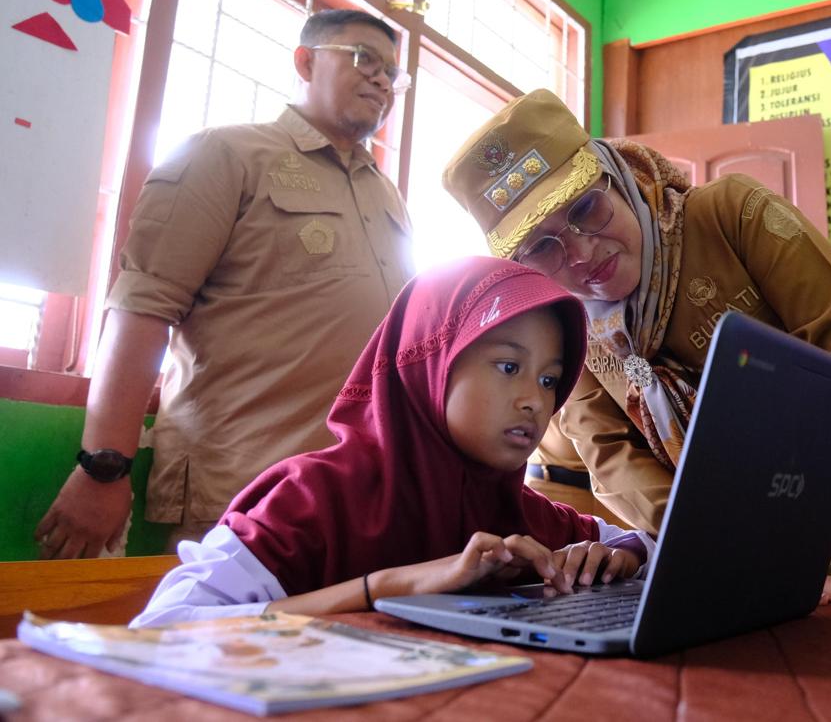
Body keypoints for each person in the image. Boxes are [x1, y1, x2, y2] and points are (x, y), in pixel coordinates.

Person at [442, 89, 831, 600]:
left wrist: (803, 540)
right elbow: (610, 455)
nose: (582, 252)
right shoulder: (569, 327)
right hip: (730, 567)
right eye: (542, 246)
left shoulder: (731, 216)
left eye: (586, 208)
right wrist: (727, 552)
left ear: (620, 175)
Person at [36, 9, 416, 559]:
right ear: (305, 62)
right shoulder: (225, 154)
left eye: (393, 74)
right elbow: (142, 308)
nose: (382, 80)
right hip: (240, 489)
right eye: (364, 59)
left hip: (354, 497)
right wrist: (102, 468)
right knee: (225, 645)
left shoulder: (388, 195)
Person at [133, 257, 648, 626]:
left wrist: (619, 555)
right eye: (509, 366)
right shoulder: (313, 499)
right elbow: (164, 624)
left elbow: (640, 544)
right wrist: (382, 588)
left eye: (549, 379)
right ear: (430, 365)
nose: (536, 401)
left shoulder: (518, 511)